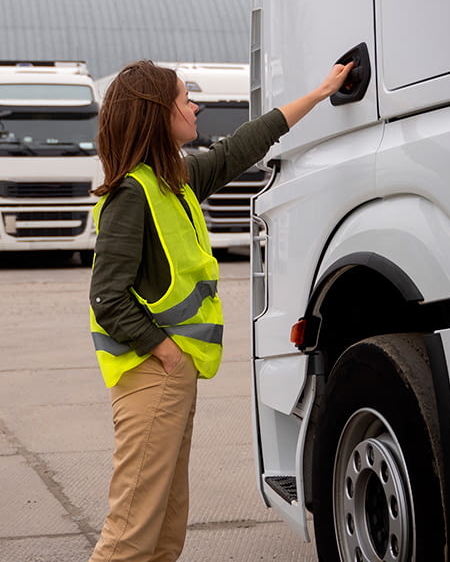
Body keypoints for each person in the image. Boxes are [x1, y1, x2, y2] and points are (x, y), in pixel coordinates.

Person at [87, 58, 353, 562]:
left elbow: (243, 146)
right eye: (185, 99)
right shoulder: (132, 193)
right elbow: (107, 297)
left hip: (171, 374)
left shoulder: (175, 182)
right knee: (130, 533)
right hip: (152, 374)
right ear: (156, 115)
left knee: (165, 527)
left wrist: (318, 95)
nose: (195, 106)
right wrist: (165, 353)